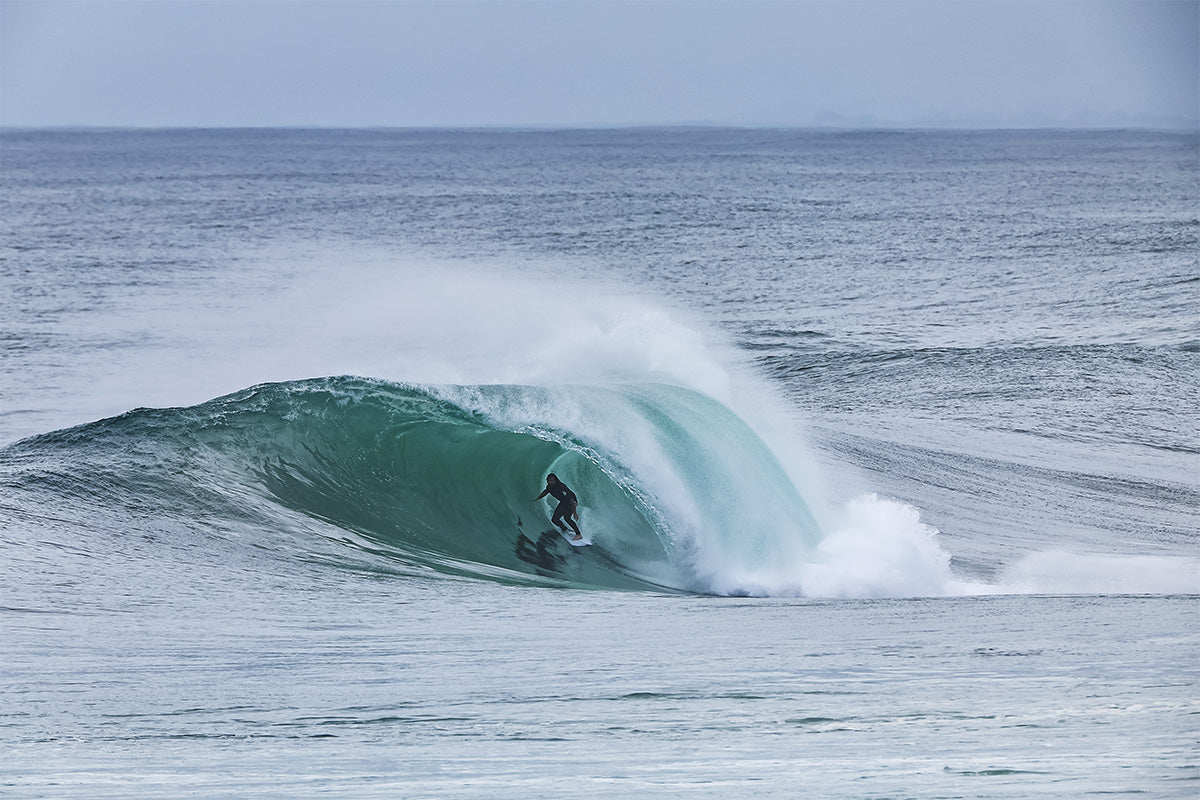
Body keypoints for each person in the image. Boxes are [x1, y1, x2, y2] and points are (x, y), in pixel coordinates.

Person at [533, 473, 583, 540]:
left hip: (571, 500)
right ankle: (565, 529)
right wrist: (537, 498)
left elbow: (571, 500)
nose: (550, 482)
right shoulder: (549, 487)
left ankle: (578, 534)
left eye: (552, 480)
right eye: (549, 481)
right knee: (554, 519)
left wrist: (575, 513)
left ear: (555, 480)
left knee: (567, 518)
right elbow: (545, 492)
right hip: (563, 501)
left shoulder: (562, 487)